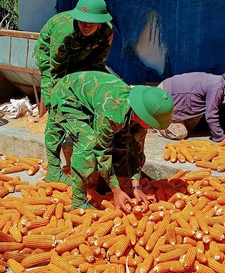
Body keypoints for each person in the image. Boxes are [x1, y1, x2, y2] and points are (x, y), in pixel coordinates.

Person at [46, 70, 173, 211]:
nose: (152, 127)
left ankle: (104, 181)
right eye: (152, 123)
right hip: (67, 96)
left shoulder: (140, 114)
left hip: (89, 97)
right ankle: (79, 201)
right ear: (143, 116)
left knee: (120, 141)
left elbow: (136, 151)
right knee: (87, 142)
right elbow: (101, 151)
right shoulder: (113, 113)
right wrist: (116, 190)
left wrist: (136, 186)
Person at [34, 0, 114, 181]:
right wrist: (51, 94)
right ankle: (53, 170)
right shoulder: (64, 30)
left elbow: (98, 65)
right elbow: (55, 70)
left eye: (91, 23)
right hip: (53, 60)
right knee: (57, 106)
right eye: (82, 21)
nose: (85, 25)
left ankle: (92, 164)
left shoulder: (107, 32)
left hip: (84, 60)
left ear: (100, 23)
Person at [156, 70, 225, 145]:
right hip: (165, 94)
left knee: (190, 126)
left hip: (178, 96)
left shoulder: (220, 86)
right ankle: (156, 125)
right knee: (180, 133)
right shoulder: (217, 87)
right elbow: (211, 115)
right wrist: (221, 138)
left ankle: (169, 121)